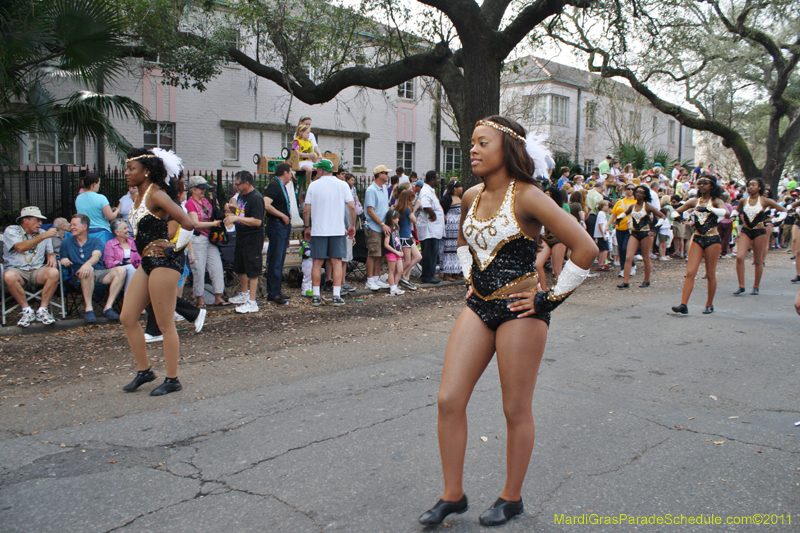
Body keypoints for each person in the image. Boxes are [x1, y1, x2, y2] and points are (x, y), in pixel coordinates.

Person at [418, 116, 596, 527]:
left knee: (515, 409)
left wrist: (548, 300)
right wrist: (468, 277)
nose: (473, 150)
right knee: (448, 400)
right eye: (472, 144)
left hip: (521, 311)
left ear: (508, 149)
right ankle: (453, 495)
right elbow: (463, 242)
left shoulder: (529, 196)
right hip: (478, 305)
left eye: (483, 143)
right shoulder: (471, 196)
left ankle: (511, 497)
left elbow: (584, 248)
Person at [118, 147, 195, 396]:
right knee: (127, 317)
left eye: (132, 169)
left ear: (147, 171)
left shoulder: (157, 195)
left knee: (164, 324)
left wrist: (174, 248)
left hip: (165, 262)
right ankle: (144, 371)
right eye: (127, 168)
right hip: (147, 262)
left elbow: (188, 223)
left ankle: (172, 379)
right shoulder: (139, 197)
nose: (127, 173)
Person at [302, 159, 356, 307]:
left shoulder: (314, 185)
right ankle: (336, 295)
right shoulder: (343, 185)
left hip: (319, 230)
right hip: (337, 229)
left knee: (317, 263)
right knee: (337, 262)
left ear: (321, 170)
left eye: (317, 169)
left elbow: (306, 209)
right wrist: (352, 224)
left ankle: (316, 295)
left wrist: (307, 227)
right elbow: (352, 207)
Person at [670, 175, 727, 314]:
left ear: (712, 185)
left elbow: (726, 212)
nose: (701, 186)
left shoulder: (716, 201)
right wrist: (680, 218)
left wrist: (708, 209)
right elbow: (675, 211)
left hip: (712, 239)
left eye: (705, 183)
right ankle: (683, 304)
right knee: (690, 272)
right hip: (697, 238)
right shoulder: (694, 201)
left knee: (710, 273)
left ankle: (709, 304)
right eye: (699, 183)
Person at [60, 214, 126, 323]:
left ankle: (108, 307)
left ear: (85, 226)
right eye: (70, 225)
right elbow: (63, 258)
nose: (71, 227)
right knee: (88, 270)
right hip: (79, 275)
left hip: (99, 273)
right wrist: (64, 260)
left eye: (74, 225)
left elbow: (97, 255)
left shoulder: (95, 241)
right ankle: (89, 309)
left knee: (121, 270)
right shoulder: (66, 242)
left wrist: (87, 264)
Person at [2, 206, 59, 327]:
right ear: (25, 220)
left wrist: (51, 255)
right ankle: (26, 311)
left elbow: (50, 250)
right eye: (37, 220)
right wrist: (42, 236)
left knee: (54, 272)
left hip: (37, 269)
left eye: (41, 220)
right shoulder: (12, 230)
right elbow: (20, 247)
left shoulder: (43, 233)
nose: (40, 223)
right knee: (9, 275)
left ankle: (42, 310)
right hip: (17, 270)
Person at [733, 178, 786, 295]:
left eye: (753, 185)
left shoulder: (765, 200)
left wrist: (777, 221)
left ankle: (756, 286)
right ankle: (741, 285)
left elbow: (783, 210)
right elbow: (736, 211)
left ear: (760, 187)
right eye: (749, 185)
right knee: (740, 257)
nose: (750, 187)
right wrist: (732, 216)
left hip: (759, 231)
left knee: (758, 260)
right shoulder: (743, 200)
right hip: (746, 230)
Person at [186, 175, 228, 307]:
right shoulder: (190, 203)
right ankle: (199, 298)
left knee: (216, 267)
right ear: (193, 189)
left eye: (204, 188)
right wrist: (214, 224)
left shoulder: (206, 201)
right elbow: (195, 224)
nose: (203, 191)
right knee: (199, 269)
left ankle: (218, 296)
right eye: (200, 189)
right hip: (198, 238)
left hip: (210, 238)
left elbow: (214, 213)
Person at [225, 171, 265, 313]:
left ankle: (252, 301)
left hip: (252, 237)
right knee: (240, 266)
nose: (236, 187)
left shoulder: (256, 198)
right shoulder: (242, 196)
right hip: (241, 234)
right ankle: (244, 293)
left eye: (238, 184)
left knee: (252, 268)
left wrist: (237, 219)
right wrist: (233, 212)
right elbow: (243, 213)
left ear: (246, 183)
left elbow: (257, 221)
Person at [617, 185, 665, 289]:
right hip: (634, 233)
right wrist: (617, 220)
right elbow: (624, 214)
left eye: (641, 192)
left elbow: (662, 216)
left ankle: (646, 280)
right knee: (628, 257)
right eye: (637, 192)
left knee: (646, 257)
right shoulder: (632, 207)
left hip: (645, 234)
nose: (638, 194)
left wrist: (655, 229)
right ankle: (625, 281)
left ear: (645, 195)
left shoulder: (647, 207)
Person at [263, 163, 294, 305]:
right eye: (291, 171)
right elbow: (266, 204)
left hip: (282, 226)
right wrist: (282, 215)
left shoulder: (280, 186)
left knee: (280, 258)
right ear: (285, 172)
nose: (292, 174)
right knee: (276, 258)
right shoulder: (274, 185)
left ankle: (277, 289)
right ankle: (273, 292)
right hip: (277, 225)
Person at [363, 165, 392, 291]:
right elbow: (370, 211)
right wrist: (382, 224)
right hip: (374, 226)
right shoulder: (371, 190)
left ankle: (376, 278)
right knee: (373, 253)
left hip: (383, 226)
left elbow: (383, 207)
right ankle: (369, 280)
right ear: (379, 174)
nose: (387, 175)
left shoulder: (384, 189)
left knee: (379, 254)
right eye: (386, 173)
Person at [418, 170, 445, 284]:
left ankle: (430, 274)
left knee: (433, 253)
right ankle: (427, 276)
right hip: (429, 229)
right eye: (437, 178)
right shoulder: (426, 191)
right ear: (432, 179)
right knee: (430, 253)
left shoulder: (429, 190)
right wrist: (433, 214)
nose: (438, 180)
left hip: (433, 229)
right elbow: (425, 205)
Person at [104, 218, 142, 293]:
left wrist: (134, 260)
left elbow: (141, 254)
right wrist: (125, 262)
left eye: (127, 227)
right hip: (119, 269)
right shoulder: (110, 244)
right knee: (131, 268)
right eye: (125, 228)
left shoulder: (133, 241)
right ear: (117, 232)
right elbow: (108, 263)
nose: (128, 230)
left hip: (138, 266)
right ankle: (128, 297)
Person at [608, 184, 638, 278]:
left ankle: (631, 265)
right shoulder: (620, 201)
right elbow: (613, 214)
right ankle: (623, 268)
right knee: (621, 249)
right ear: (625, 190)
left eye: (632, 189)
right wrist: (607, 225)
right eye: (628, 189)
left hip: (631, 228)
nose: (630, 191)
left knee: (626, 248)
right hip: (620, 228)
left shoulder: (637, 201)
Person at [395, 188, 421, 290]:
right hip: (405, 236)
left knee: (418, 256)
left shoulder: (400, 208)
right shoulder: (407, 209)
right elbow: (414, 220)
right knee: (407, 260)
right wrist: (415, 208)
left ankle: (403, 275)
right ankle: (399, 276)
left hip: (406, 235)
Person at [440, 180, 464, 281]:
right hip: (450, 228)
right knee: (448, 249)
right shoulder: (447, 198)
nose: (462, 189)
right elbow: (440, 207)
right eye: (460, 187)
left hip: (458, 228)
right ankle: (446, 273)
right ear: (455, 188)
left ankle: (455, 271)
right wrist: (444, 216)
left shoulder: (459, 198)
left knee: (456, 250)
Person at [383, 210, 405, 295]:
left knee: (400, 270)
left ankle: (395, 286)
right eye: (397, 218)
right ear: (392, 219)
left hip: (398, 252)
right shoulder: (389, 230)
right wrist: (396, 251)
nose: (398, 219)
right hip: (392, 252)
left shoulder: (396, 229)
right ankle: (392, 288)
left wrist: (401, 250)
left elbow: (398, 240)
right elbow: (386, 244)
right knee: (392, 270)